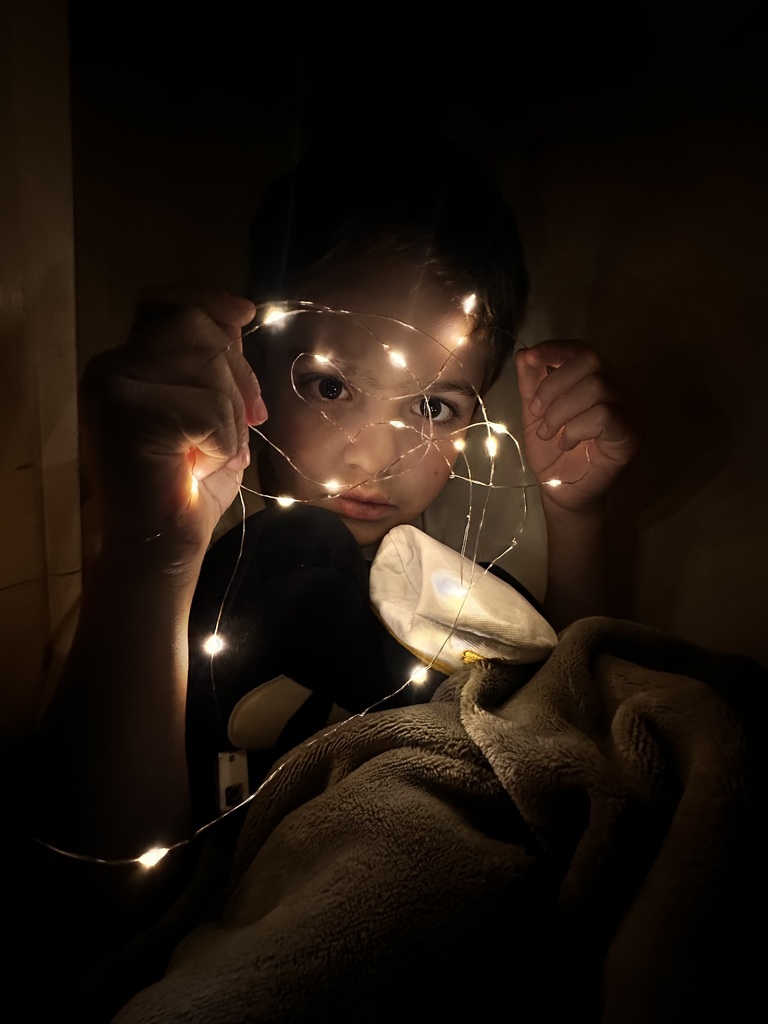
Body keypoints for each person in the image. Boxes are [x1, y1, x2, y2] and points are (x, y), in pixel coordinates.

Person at [29, 137, 640, 869]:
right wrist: (153, 552)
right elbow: (99, 880)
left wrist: (576, 515)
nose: (373, 459)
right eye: (329, 387)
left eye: (433, 407)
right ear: (251, 362)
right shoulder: (175, 595)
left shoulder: (466, 610)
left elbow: (583, 758)